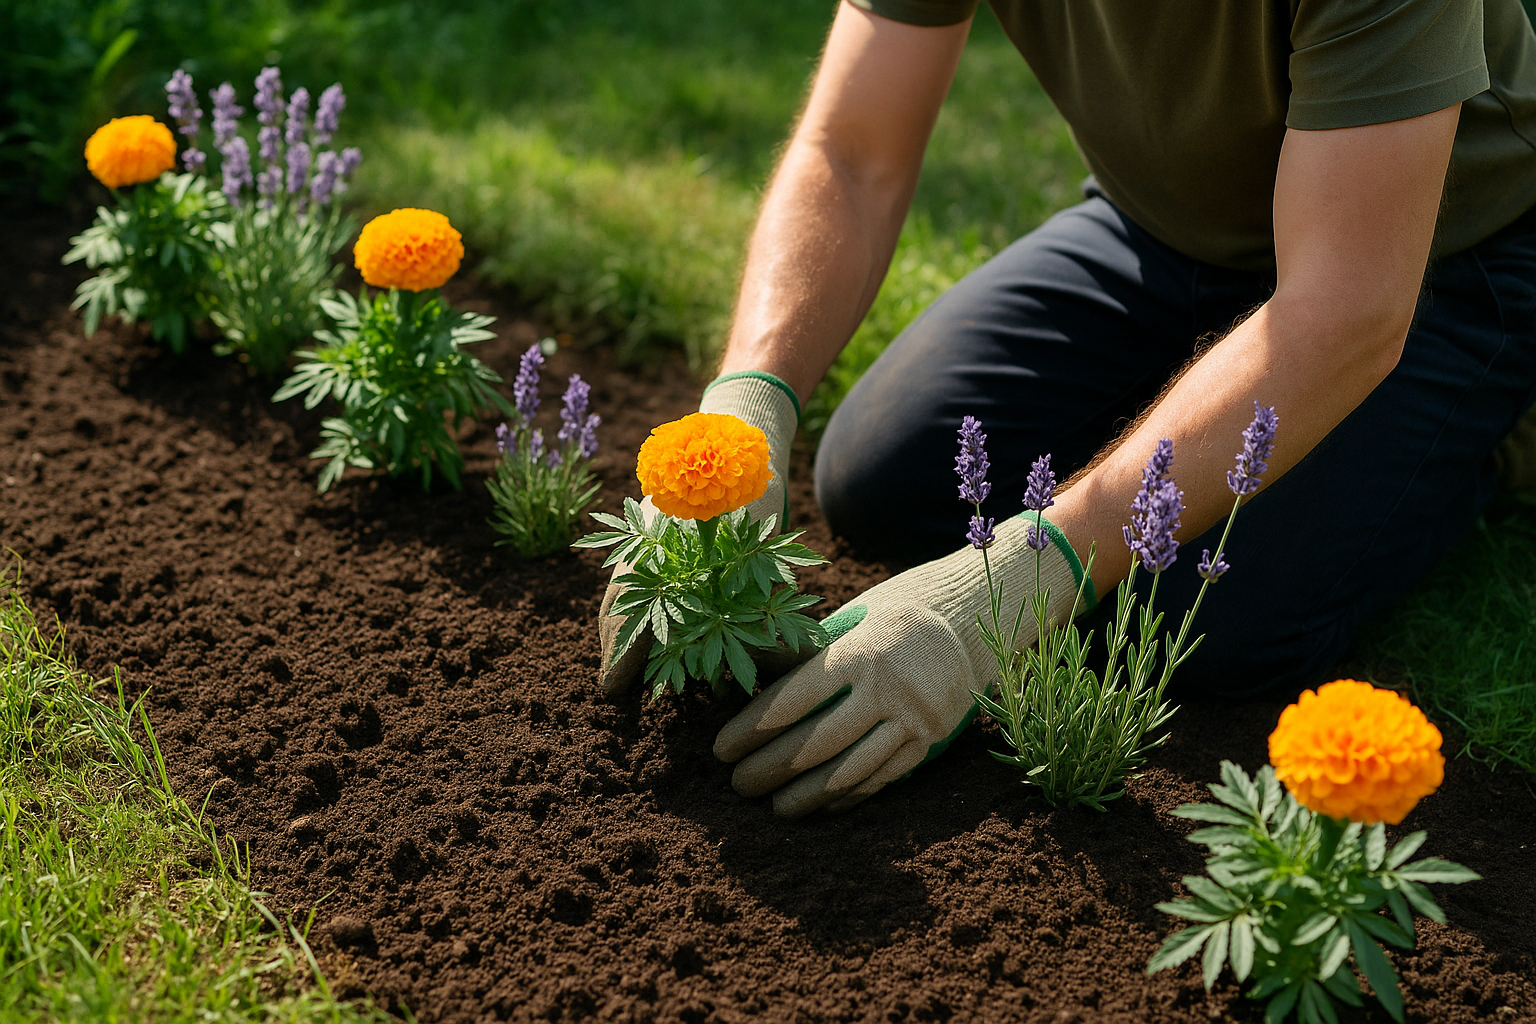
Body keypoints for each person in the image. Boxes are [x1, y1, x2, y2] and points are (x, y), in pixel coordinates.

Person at [598, 0, 1536, 817]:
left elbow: (1340, 311)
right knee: (885, 480)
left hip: (1440, 261)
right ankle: (1201, 390)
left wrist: (1013, 585)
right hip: (1159, 231)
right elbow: (851, 151)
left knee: (1202, 615)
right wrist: (743, 408)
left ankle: (1485, 430)